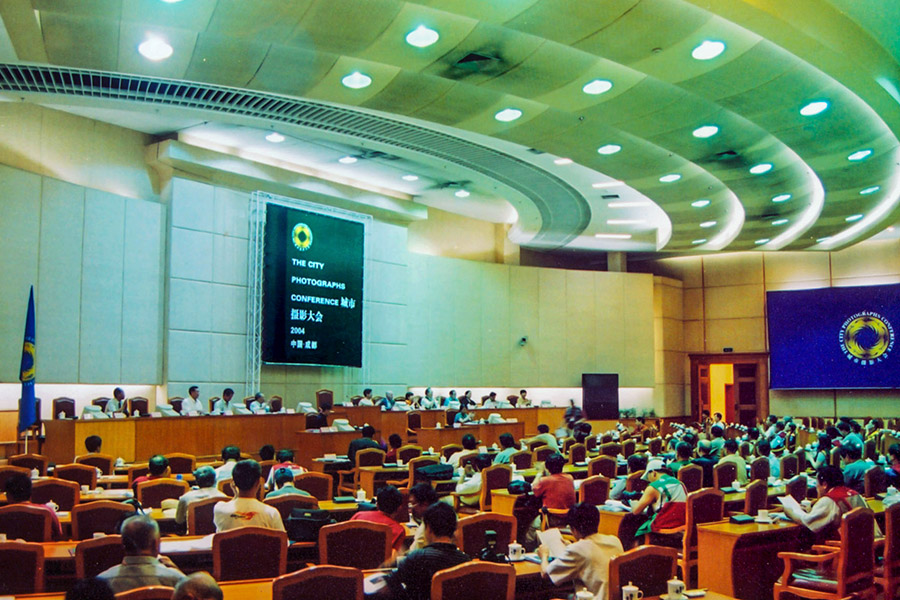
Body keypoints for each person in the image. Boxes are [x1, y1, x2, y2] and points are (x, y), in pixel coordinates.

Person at [380, 502, 470, 600]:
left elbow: (388, 583)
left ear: (428, 528)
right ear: (453, 529)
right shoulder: (465, 562)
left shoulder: (417, 557)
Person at [538, 502, 624, 600]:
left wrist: (544, 555)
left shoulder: (578, 549)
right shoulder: (615, 540)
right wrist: (573, 546)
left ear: (574, 529)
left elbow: (545, 574)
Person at [781, 465, 872, 541]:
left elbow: (807, 522)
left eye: (817, 484)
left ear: (824, 484)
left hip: (843, 549)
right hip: (865, 544)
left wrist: (791, 513)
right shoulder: (855, 493)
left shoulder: (829, 499)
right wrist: (812, 511)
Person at [97, 515, 185, 593]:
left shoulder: (102, 582)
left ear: (123, 545)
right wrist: (181, 575)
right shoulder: (177, 580)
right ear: (155, 544)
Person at [621, 459, 687, 550]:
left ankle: (629, 551)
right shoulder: (680, 484)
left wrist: (635, 503)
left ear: (653, 473)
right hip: (680, 524)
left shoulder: (653, 486)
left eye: (649, 477)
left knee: (629, 519)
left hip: (663, 525)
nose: (649, 481)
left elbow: (636, 511)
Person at [214, 459, 284, 532]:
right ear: (258, 482)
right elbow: (283, 541)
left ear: (234, 483)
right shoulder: (271, 513)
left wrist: (236, 496)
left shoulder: (219, 509)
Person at [350, 485, 407, 554]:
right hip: (375, 563)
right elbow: (390, 557)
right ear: (399, 508)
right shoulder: (399, 530)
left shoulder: (359, 515)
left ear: (377, 505)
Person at [4, 472, 63, 538]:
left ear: (8, 496)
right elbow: (59, 534)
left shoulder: (2, 513)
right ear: (30, 494)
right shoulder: (47, 511)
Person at [407, 483, 439, 553]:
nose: (410, 508)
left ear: (425, 504)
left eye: (413, 503)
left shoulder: (425, 528)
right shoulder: (445, 515)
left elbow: (412, 555)